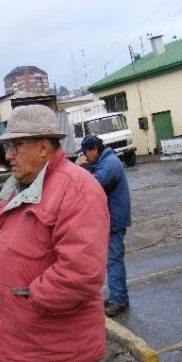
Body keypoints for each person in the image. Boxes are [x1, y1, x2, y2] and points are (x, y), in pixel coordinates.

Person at [0, 104, 109, 362]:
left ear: (43, 146)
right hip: (27, 341)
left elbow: (80, 272)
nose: (8, 155)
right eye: (8, 147)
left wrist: (28, 298)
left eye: (15, 146)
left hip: (60, 346)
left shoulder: (75, 188)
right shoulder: (21, 186)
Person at [77, 134, 132, 317]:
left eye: (86, 152)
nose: (85, 156)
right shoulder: (106, 161)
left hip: (114, 220)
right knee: (113, 260)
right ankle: (119, 295)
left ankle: (118, 301)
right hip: (112, 219)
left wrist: (83, 168)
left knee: (114, 260)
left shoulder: (110, 164)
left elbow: (94, 185)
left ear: (94, 150)